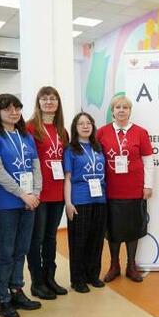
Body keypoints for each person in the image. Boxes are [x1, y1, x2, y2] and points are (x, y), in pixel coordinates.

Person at [0, 94, 43, 317]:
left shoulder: (26, 136)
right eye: (7, 109)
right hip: (6, 204)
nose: (13, 112)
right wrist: (22, 194)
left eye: (17, 108)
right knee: (5, 252)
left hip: (29, 202)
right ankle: (3, 299)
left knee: (21, 250)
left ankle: (17, 290)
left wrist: (35, 194)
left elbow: (36, 167)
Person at [96, 95, 154, 283]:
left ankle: (131, 266)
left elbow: (148, 161)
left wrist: (148, 185)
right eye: (118, 107)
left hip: (134, 190)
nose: (121, 110)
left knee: (133, 228)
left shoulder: (141, 132)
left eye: (125, 107)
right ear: (112, 111)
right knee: (113, 230)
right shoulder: (102, 132)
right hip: (110, 190)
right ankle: (114, 265)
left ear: (130, 111)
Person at [26, 86, 69, 299]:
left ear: (58, 103)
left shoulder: (62, 130)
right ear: (39, 102)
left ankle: (50, 278)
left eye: (53, 98)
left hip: (57, 192)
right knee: (37, 238)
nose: (49, 102)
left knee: (51, 237)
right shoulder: (30, 128)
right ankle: (37, 282)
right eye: (44, 99)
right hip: (39, 192)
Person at [63, 112, 107, 293]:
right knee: (79, 241)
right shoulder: (71, 149)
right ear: (75, 127)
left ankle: (93, 275)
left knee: (96, 240)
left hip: (100, 199)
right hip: (80, 200)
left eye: (88, 123)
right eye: (81, 123)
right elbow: (67, 178)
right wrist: (68, 203)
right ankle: (78, 279)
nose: (85, 126)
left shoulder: (98, 147)